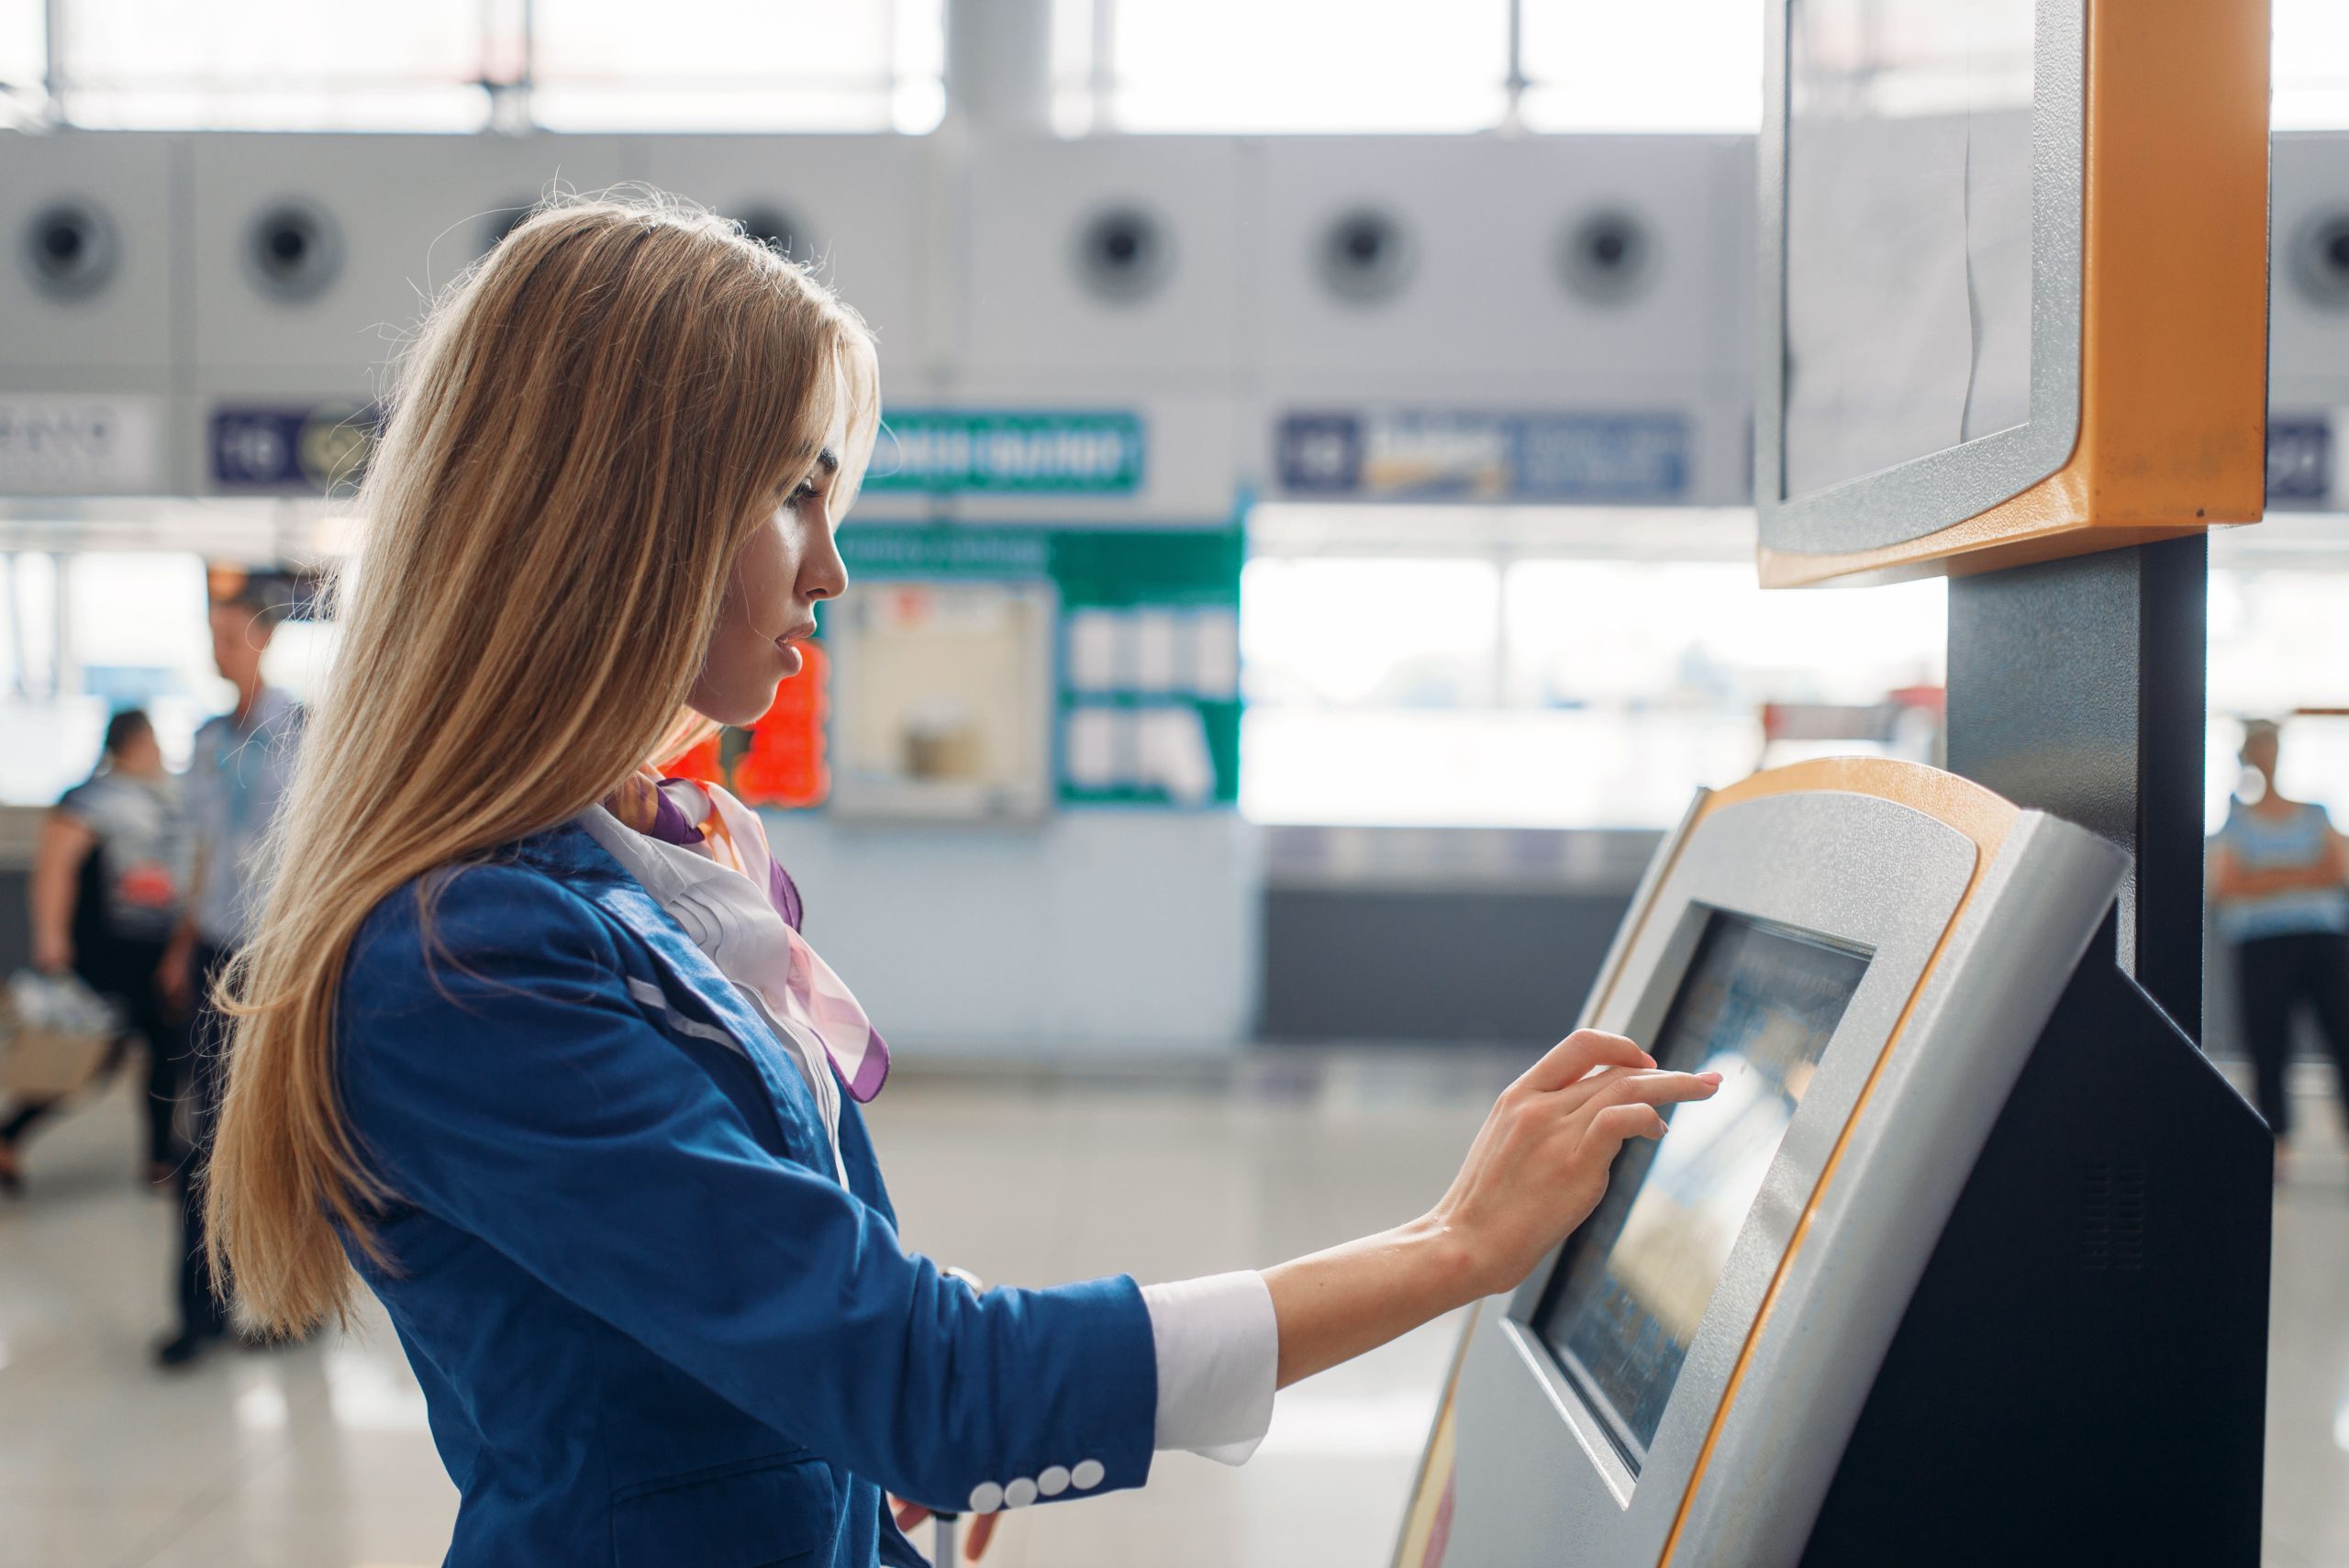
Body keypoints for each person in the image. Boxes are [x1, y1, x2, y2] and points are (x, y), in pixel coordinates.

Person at [203, 195, 1718, 1568]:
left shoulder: (642, 871)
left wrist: (855, 1443)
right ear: (622, 516)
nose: (830, 570)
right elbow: (928, 1385)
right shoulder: (466, 957)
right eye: (793, 494)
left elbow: (793, 1329)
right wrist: (1449, 1247)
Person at [152, 585, 303, 1366]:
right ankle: (199, 1310)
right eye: (212, 636)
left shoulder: (303, 730)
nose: (220, 650)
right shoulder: (209, 738)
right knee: (206, 1132)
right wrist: (181, 944)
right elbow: (200, 850)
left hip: (281, 954)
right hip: (216, 948)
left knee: (284, 1130)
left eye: (231, 636)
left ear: (264, 639)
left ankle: (289, 1302)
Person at [0, 708, 191, 1193]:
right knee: (94, 1054)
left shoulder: (165, 794)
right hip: (107, 951)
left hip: (156, 948)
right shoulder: (91, 799)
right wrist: (51, 940)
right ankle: (9, 1136)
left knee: (163, 1048)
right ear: (136, 742)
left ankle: (158, 1158)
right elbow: (55, 870)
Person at [2211, 718, 2349, 1173]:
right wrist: (2302, 871)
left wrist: (2265, 874)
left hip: (2322, 940)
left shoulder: (2315, 812)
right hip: (2262, 944)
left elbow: (2337, 871)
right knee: (2267, 1041)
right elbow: (2227, 887)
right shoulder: (2235, 822)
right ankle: (2277, 1141)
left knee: (2343, 1032)